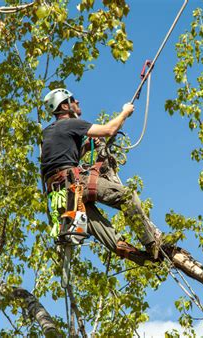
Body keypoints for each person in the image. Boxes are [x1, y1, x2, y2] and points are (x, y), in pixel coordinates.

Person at [41, 88, 161, 265]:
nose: (78, 102)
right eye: (73, 100)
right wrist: (125, 112)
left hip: (60, 196)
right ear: (65, 106)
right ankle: (152, 243)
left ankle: (143, 259)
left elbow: (62, 158)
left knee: (102, 229)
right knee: (127, 197)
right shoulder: (70, 123)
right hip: (73, 183)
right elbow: (109, 130)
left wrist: (86, 146)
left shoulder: (48, 132)